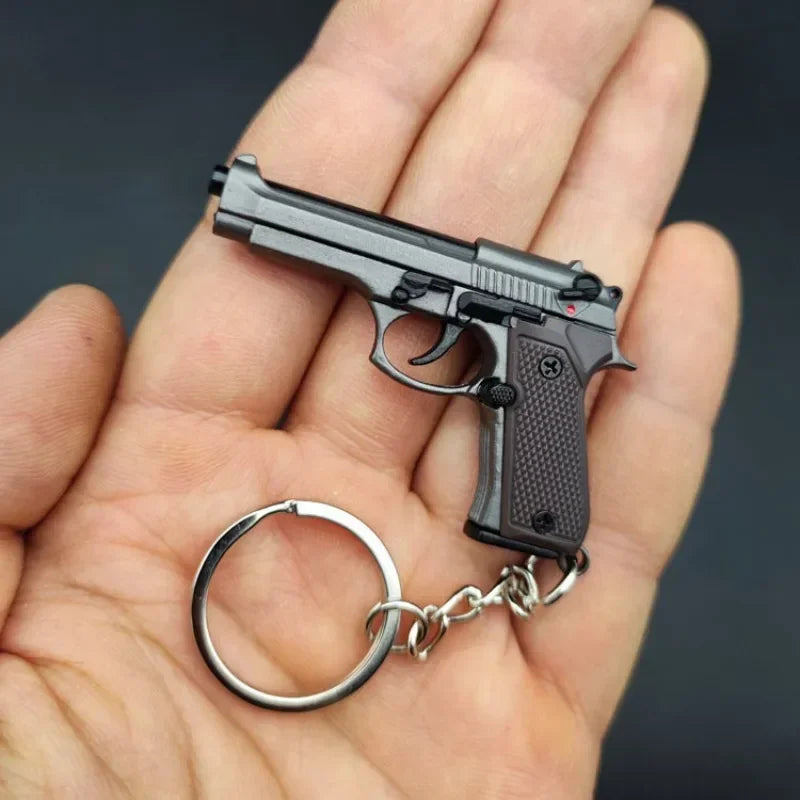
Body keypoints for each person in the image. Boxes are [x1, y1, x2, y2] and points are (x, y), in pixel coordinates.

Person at [0, 1, 739, 797]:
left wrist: (537, 534)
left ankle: (538, 525)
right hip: (541, 330)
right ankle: (539, 526)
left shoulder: (541, 332)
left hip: (544, 340)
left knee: (539, 489)